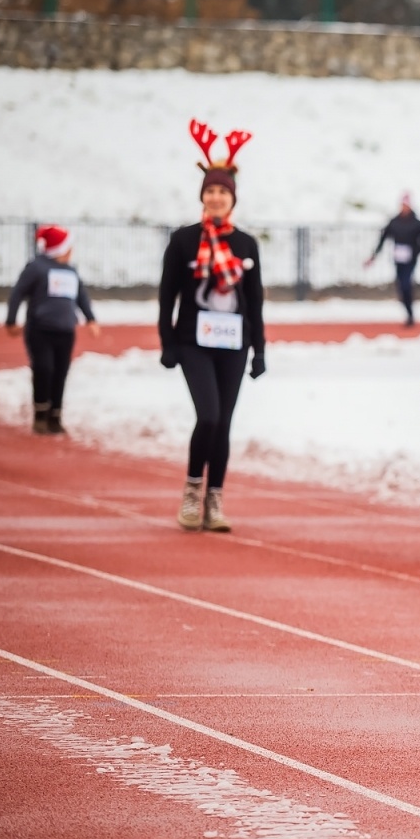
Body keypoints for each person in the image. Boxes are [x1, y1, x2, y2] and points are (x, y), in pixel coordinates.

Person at [159, 120, 266, 534]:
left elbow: (254, 302)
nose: (216, 197)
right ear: (202, 196)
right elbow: (168, 294)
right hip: (193, 342)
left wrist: (260, 350)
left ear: (232, 199)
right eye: (210, 191)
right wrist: (167, 341)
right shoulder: (184, 241)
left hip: (234, 342)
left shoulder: (246, 244)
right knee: (207, 416)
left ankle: (215, 499)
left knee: (224, 423)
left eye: (223, 191)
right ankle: (191, 489)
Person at [4, 224, 101, 435]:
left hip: (66, 331)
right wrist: (11, 321)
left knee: (60, 373)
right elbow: (18, 293)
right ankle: (40, 414)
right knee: (44, 369)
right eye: (68, 247)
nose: (71, 251)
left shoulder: (71, 271)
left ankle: (55, 416)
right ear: (59, 248)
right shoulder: (37, 268)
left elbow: (81, 296)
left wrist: (90, 319)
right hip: (40, 330)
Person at [366, 193, 420, 326]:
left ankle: (410, 314)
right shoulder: (394, 222)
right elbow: (383, 239)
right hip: (398, 259)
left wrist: (416, 251)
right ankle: (408, 312)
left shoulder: (416, 223)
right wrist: (373, 256)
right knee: (401, 286)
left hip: (410, 259)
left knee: (406, 284)